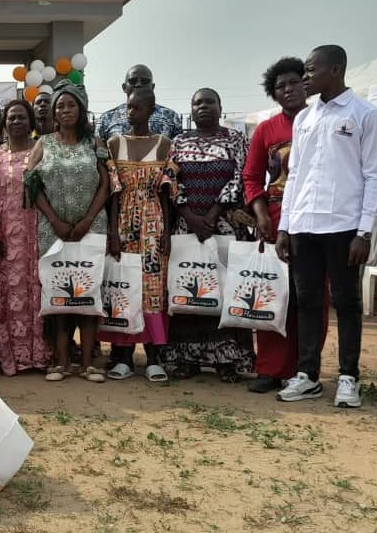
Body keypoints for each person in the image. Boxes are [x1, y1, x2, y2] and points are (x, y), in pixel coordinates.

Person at [275, 45, 377, 408]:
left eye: (311, 70)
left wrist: (363, 231)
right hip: (304, 226)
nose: (305, 78)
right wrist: (284, 227)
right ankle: (307, 375)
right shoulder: (304, 119)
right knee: (307, 303)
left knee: (346, 303)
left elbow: (374, 176)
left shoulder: (365, 115)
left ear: (336, 69)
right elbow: (293, 177)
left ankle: (348, 377)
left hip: (344, 228)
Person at [242, 57, 329, 394]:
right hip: (276, 216)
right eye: (281, 86)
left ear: (306, 84)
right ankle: (271, 368)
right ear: (273, 94)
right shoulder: (267, 130)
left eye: (294, 82)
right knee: (273, 294)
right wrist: (261, 215)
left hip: (315, 218)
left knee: (311, 296)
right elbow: (251, 176)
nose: (289, 89)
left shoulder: (323, 121)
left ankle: (305, 369)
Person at [162, 88, 254, 383]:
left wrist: (212, 215)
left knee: (225, 289)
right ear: (190, 110)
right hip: (187, 227)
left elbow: (241, 177)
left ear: (220, 107)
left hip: (225, 226)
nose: (203, 107)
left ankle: (228, 359)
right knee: (190, 288)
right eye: (197, 103)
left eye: (209, 102)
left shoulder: (235, 140)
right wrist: (189, 215)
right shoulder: (179, 141)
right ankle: (185, 358)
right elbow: (170, 179)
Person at [25, 80, 110, 384]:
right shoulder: (43, 144)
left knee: (87, 294)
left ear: (81, 108)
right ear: (54, 112)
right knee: (59, 295)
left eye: (70, 104)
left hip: (92, 228)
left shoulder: (95, 143)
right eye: (60, 105)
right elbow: (31, 185)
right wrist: (55, 220)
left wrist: (88, 218)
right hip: (53, 231)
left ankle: (87, 363)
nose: (65, 109)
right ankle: (61, 362)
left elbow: (106, 184)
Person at [99, 89, 172, 382]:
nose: (131, 113)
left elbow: (166, 190)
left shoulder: (164, 145)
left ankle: (154, 357)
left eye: (138, 108)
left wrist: (165, 230)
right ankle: (124, 357)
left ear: (151, 109)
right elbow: (115, 192)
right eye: (129, 108)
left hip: (153, 221)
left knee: (153, 291)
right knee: (123, 288)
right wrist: (113, 233)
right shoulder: (115, 144)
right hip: (125, 220)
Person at [0, 99, 48, 375]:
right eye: (11, 118)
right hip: (7, 236)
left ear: (31, 122)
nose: (16, 122)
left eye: (22, 118)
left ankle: (40, 355)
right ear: (4, 123)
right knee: (10, 293)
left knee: (37, 290)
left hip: (37, 232)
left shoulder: (43, 151)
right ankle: (12, 357)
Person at [95, 65, 183, 142]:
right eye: (133, 81)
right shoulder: (107, 118)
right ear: (124, 87)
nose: (138, 84)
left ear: (152, 87)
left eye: (145, 81)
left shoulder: (171, 117)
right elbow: (100, 153)